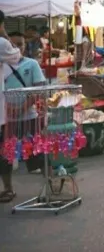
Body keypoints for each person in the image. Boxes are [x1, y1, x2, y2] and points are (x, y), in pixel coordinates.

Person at [5, 32, 47, 174]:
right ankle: (8, 188)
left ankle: (49, 183)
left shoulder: (32, 64)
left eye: (20, 44)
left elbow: (39, 89)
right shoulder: (2, 66)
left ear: (24, 46)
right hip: (6, 119)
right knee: (6, 156)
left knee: (36, 152)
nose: (16, 48)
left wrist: (21, 108)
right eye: (12, 44)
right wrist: (7, 108)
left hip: (29, 116)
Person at [0, 11, 23, 203]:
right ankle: (7, 188)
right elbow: (17, 56)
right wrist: (4, 34)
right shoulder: (2, 44)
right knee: (3, 151)